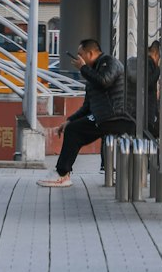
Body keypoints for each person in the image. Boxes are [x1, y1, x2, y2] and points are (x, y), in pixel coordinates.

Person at [38, 38, 124, 189]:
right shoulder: (91, 74)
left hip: (116, 115)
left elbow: (104, 81)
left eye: (80, 54)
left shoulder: (109, 62)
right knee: (73, 129)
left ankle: (62, 174)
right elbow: (87, 106)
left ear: (90, 53)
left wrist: (84, 69)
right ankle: (63, 172)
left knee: (75, 131)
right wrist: (70, 120)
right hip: (103, 117)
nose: (77, 58)